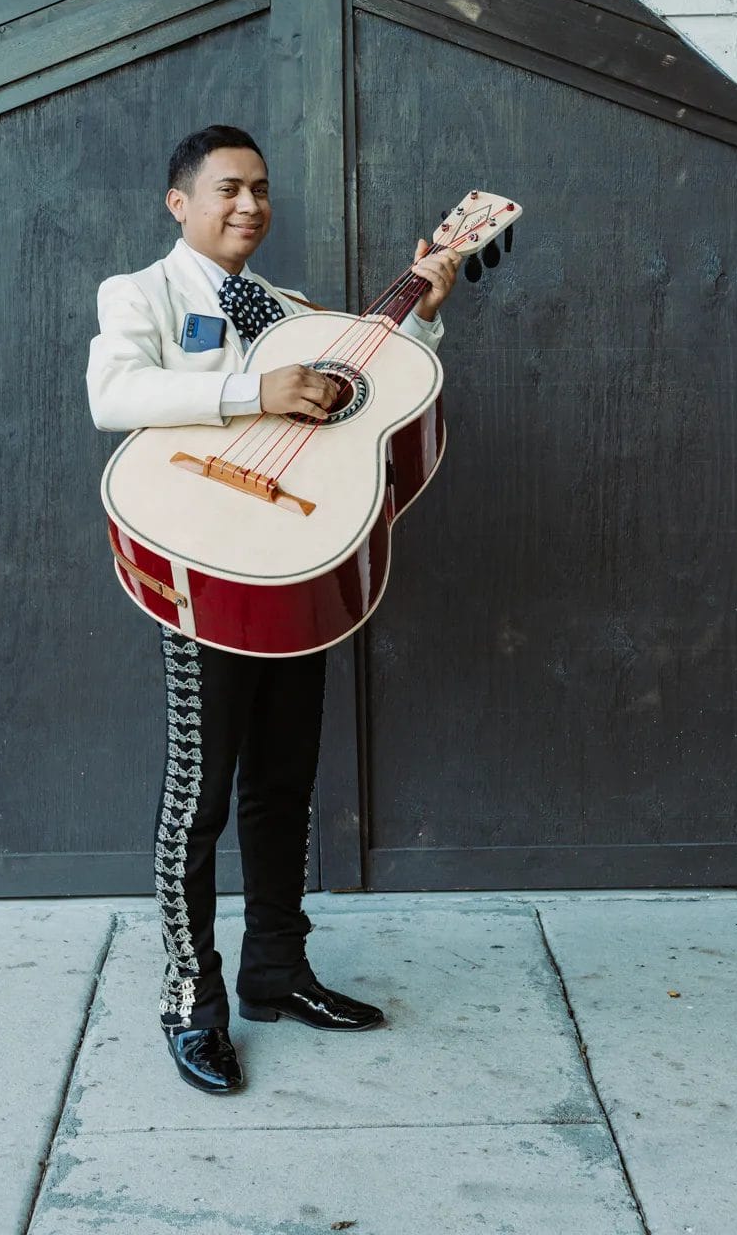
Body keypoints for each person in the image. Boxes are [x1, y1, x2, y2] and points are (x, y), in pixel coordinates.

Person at [85, 124, 459, 1095]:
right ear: (179, 202)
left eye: (259, 190)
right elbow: (112, 392)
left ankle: (276, 971)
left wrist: (423, 311)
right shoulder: (143, 294)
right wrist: (256, 387)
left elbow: (371, 387)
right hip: (201, 567)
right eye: (225, 190)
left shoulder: (294, 309)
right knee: (198, 798)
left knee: (285, 782)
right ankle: (189, 1000)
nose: (248, 205)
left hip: (297, 562)